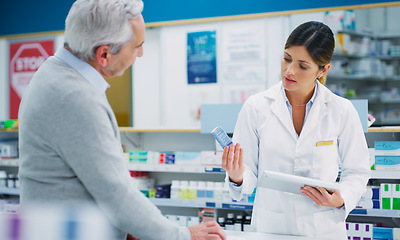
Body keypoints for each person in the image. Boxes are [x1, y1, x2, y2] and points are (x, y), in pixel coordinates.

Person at [18, 1, 226, 240]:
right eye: (137, 46)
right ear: (104, 54)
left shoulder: (53, 73)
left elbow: (82, 178)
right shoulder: (75, 97)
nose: (141, 53)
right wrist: (182, 236)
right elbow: (116, 194)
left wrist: (127, 228)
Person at [221, 21, 371, 239]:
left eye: (302, 65)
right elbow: (249, 174)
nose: (289, 71)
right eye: (286, 59)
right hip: (271, 228)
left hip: (323, 227)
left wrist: (340, 198)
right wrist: (237, 176)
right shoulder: (256, 107)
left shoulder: (341, 110)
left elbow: (357, 171)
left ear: (323, 70)